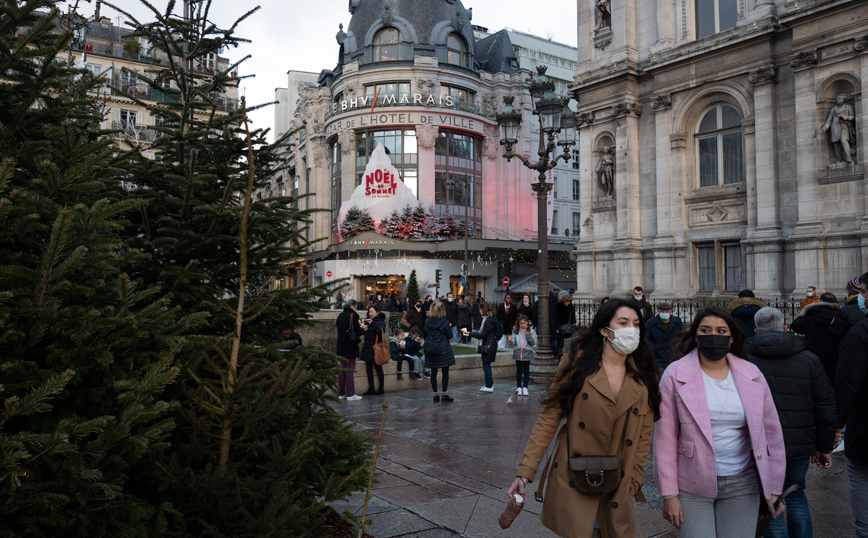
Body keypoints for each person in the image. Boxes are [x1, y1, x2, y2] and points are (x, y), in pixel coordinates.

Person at [507, 298, 660, 538]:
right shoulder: (576, 363)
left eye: (636, 324)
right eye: (623, 322)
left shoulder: (644, 374)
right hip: (574, 475)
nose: (631, 329)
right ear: (604, 329)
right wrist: (525, 473)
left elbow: (644, 435)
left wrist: (634, 480)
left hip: (618, 483)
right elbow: (550, 418)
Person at [654, 305, 786, 538]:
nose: (713, 335)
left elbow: (771, 433)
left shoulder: (751, 373)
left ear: (731, 337)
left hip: (742, 483)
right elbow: (665, 439)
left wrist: (774, 487)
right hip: (691, 485)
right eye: (705, 330)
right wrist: (669, 494)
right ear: (695, 335)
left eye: (720, 330)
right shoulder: (675, 374)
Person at [747, 307, 836, 538]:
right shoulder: (809, 359)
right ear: (785, 329)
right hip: (798, 443)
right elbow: (825, 405)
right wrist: (824, 446)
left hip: (759, 444)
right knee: (795, 494)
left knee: (767, 498)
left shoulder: (743, 360)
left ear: (756, 330)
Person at [836, 310, 868, 537]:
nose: (862, 298)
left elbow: (848, 382)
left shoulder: (861, 332)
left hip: (865, 423)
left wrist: (836, 423)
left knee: (859, 472)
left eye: (864, 292)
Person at [791, 292, 842, 382]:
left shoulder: (810, 316)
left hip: (813, 356)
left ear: (819, 301)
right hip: (834, 357)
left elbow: (795, 326)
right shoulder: (839, 317)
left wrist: (803, 313)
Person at [424, 301, 456, 402]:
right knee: (445, 371)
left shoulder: (427, 321)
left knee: (433, 371)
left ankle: (435, 395)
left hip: (432, 348)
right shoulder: (444, 321)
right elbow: (450, 335)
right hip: (443, 348)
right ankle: (444, 394)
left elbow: (425, 334)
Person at [335, 299, 365, 401]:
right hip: (350, 346)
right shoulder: (353, 315)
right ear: (353, 306)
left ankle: (341, 393)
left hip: (341, 346)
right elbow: (358, 331)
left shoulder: (340, 315)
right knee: (350, 370)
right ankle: (350, 394)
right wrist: (364, 329)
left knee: (342, 370)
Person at [469, 301, 499, 393]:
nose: (479, 312)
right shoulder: (491, 318)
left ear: (483, 310)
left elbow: (483, 334)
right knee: (486, 365)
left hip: (488, 345)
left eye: (480, 310)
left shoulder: (488, 320)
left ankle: (489, 385)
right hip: (491, 344)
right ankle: (488, 384)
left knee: (486, 365)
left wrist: (469, 333)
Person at [645, 302, 683, 372]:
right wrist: (655, 348)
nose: (664, 313)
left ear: (671, 312)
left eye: (667, 311)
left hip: (673, 356)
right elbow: (647, 339)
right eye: (662, 311)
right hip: (658, 357)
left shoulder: (677, 321)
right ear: (658, 311)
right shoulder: (651, 323)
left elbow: (681, 336)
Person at [506, 314, 536, 396]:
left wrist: (528, 335)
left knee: (526, 371)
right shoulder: (516, 331)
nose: (523, 325)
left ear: (527, 323)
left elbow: (533, 343)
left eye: (524, 323)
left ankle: (525, 387)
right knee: (519, 371)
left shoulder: (532, 331)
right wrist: (511, 339)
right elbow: (513, 343)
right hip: (518, 353)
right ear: (519, 323)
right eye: (521, 323)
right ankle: (519, 387)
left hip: (527, 353)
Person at [360, 305, 387, 395]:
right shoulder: (367, 321)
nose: (370, 313)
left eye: (372, 312)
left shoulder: (381, 322)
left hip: (376, 348)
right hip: (367, 347)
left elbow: (380, 332)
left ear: (377, 312)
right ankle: (371, 388)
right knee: (369, 369)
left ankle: (381, 387)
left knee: (378, 367)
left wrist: (372, 323)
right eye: (369, 312)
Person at [555, 292, 577, 358]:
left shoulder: (571, 307)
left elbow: (572, 315)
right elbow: (556, 317)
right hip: (560, 326)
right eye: (567, 302)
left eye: (569, 302)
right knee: (560, 341)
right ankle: (560, 353)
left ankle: (567, 353)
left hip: (568, 326)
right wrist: (557, 327)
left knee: (568, 341)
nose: (568, 303)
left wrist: (573, 321)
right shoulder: (558, 306)